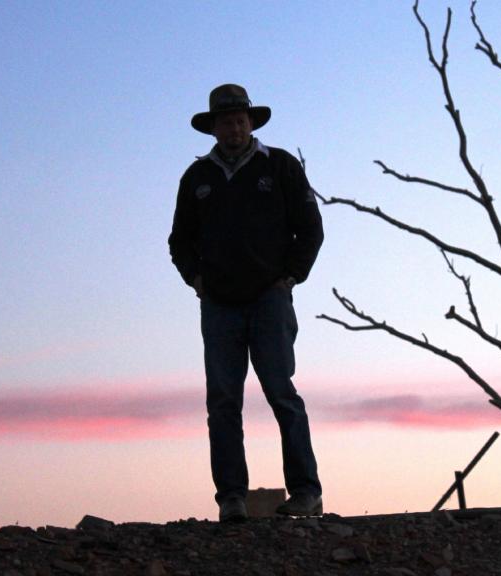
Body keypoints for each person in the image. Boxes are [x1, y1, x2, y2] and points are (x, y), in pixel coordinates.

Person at [168, 84, 324, 522]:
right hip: (219, 305)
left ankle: (306, 492)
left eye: (240, 120)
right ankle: (231, 498)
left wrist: (289, 277)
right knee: (222, 403)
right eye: (226, 122)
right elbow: (179, 241)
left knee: (281, 393)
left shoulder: (281, 166)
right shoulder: (196, 177)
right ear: (213, 128)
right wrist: (197, 279)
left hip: (269, 300)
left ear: (251, 123)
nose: (234, 128)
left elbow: (310, 228)